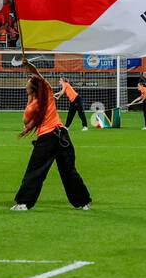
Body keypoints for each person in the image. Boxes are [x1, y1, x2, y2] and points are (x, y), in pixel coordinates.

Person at [11, 60, 91, 212]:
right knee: (69, 171)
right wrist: (28, 66)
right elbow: (36, 74)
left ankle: (24, 203)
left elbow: (26, 123)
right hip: (62, 136)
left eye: (27, 83)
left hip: (47, 139)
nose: (25, 85)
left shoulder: (32, 105)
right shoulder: (47, 92)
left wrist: (28, 65)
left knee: (35, 170)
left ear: (32, 87)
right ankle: (84, 202)